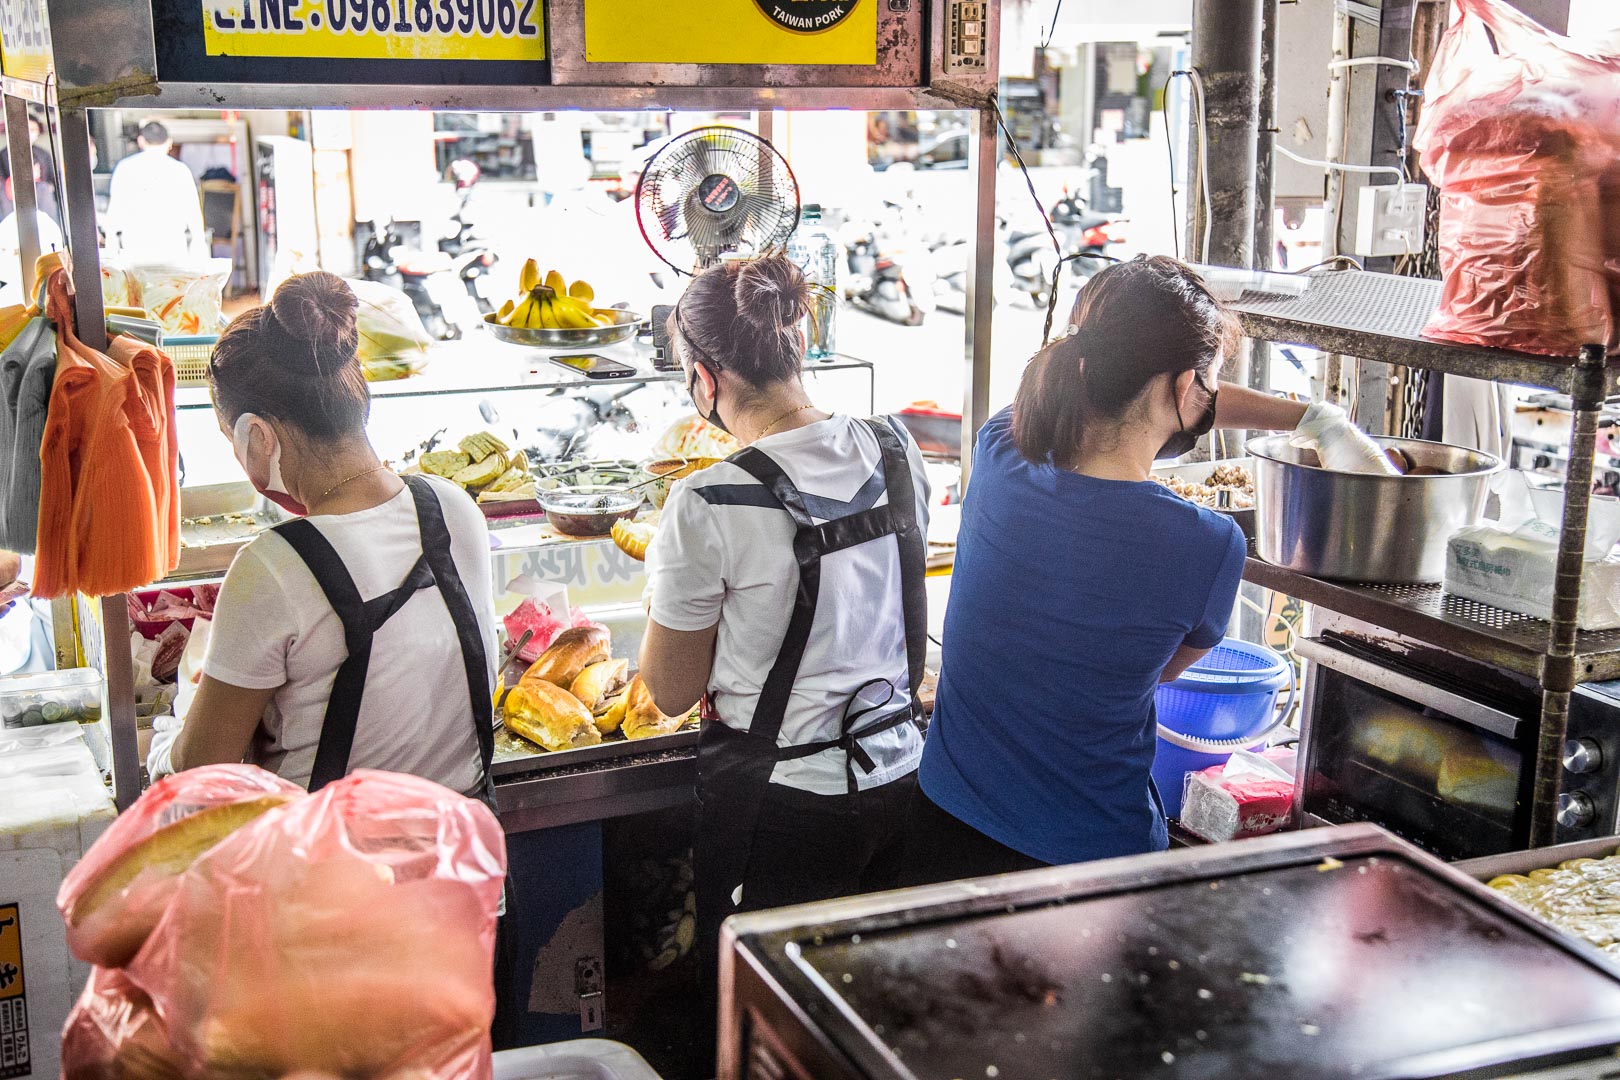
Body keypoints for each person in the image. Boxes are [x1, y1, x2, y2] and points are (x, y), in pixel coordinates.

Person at [906, 256, 1382, 882]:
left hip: (943, 815)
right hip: (1084, 855)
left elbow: (1165, 389)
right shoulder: (1207, 543)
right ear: (1187, 387)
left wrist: (1307, 416)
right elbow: (1151, 676)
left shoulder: (1000, 448)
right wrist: (1314, 421)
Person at [637, 253, 931, 973]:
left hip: (787, 807)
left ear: (704, 379)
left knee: (772, 1017)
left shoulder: (708, 500)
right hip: (902, 778)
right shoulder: (897, 449)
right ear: (797, 345)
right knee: (873, 1004)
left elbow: (670, 692)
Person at [158, 272, 499, 802]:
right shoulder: (453, 506)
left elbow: (201, 775)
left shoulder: (272, 567)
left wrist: (168, 739)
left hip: (339, 876)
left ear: (257, 436)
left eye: (232, 439)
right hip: (464, 865)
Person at [103, 120, 204, 262]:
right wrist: (199, 251)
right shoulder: (180, 170)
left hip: (135, 247)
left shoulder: (125, 168)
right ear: (169, 142)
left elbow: (114, 214)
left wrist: (111, 250)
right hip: (173, 247)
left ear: (141, 141)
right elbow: (193, 214)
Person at [0, 115, 58, 224]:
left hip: (41, 202)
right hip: (12, 203)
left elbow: (52, 180)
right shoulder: (4, 155)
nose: (28, 133)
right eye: (25, 129)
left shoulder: (43, 155)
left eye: (32, 130)